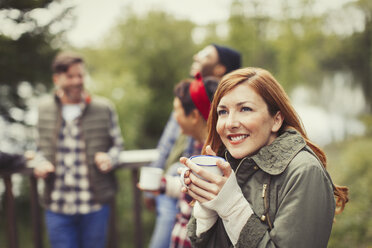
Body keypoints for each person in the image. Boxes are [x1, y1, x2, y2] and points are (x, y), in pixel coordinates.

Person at [179, 67, 349, 247]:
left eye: (245, 109)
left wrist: (231, 206)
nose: (230, 123)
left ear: (276, 120)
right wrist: (207, 203)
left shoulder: (304, 172)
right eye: (223, 112)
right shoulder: (230, 165)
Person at [146, 44, 242, 248]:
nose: (175, 119)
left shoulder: (215, 157)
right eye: (222, 112)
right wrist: (162, 185)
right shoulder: (203, 144)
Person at [33, 52, 124, 248]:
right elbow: (37, 149)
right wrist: (40, 163)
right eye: (70, 76)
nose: (77, 81)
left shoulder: (104, 107)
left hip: (95, 205)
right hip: (57, 205)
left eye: (80, 75)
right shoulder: (43, 108)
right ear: (57, 79)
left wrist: (109, 158)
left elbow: (118, 146)